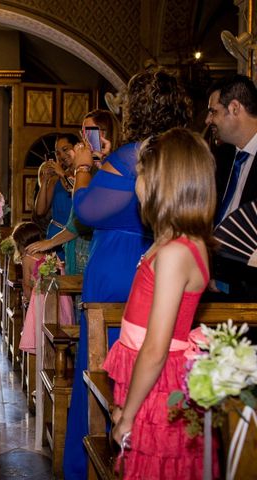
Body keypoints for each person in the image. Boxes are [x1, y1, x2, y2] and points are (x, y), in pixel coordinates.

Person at [62, 67, 193, 480]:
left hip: (120, 266)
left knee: (104, 360)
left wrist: (85, 168)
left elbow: (85, 212)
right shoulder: (183, 151)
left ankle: (96, 457)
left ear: (134, 109)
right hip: (164, 260)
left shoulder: (131, 155)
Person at [105, 128, 217, 478]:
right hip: (150, 377)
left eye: (141, 174)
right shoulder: (173, 241)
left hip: (158, 386)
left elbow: (155, 348)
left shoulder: (175, 252)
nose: (136, 183)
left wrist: (129, 415)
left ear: (162, 182)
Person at [26, 109, 121, 275]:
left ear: (106, 133)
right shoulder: (88, 169)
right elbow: (72, 217)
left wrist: (50, 243)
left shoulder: (116, 165)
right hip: (78, 243)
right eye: (83, 133)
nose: (85, 140)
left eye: (90, 133)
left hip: (102, 248)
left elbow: (85, 215)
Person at [205, 74, 257, 300]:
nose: (208, 120)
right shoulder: (220, 157)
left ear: (235, 108)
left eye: (213, 111)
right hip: (212, 283)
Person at [32, 133, 77, 260]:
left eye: (65, 149)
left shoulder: (84, 175)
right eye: (58, 153)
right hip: (54, 235)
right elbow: (40, 211)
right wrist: (45, 180)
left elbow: (78, 192)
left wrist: (63, 174)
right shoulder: (55, 180)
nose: (62, 156)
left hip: (74, 236)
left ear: (77, 148)